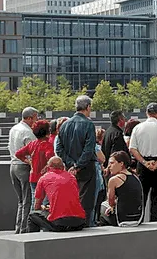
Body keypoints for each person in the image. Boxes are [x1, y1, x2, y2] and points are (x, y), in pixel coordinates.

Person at [129, 103, 157, 222]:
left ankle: (139, 221)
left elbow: (132, 148)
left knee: (141, 196)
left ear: (147, 113)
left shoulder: (138, 128)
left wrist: (144, 162)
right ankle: (156, 223)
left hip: (143, 165)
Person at [56, 95, 97, 223]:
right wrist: (78, 165)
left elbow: (59, 148)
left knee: (71, 198)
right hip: (86, 169)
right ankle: (84, 225)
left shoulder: (64, 124)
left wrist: (71, 164)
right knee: (86, 201)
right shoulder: (89, 124)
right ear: (88, 107)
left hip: (69, 169)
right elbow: (89, 149)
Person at [27, 156, 87, 233]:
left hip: (59, 223)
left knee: (32, 216)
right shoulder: (72, 177)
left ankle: (33, 242)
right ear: (63, 167)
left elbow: (37, 206)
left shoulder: (44, 178)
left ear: (48, 167)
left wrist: (43, 208)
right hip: (79, 222)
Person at [8, 106, 38, 234]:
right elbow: (33, 152)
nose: (37, 120)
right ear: (30, 118)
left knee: (21, 201)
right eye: (36, 118)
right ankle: (24, 229)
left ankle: (18, 228)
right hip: (23, 166)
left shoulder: (14, 129)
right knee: (27, 200)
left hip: (13, 166)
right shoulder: (27, 132)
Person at [14, 119, 54, 209]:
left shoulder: (32, 144)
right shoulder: (48, 145)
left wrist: (29, 161)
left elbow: (18, 154)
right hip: (45, 177)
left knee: (34, 201)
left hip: (33, 177)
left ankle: (32, 220)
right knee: (45, 202)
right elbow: (50, 157)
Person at [100, 151, 144, 227]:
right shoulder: (135, 177)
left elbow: (111, 202)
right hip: (138, 218)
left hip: (123, 219)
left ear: (121, 164)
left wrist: (112, 207)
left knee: (103, 205)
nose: (109, 166)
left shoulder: (114, 180)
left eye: (112, 163)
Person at [92, 128, 107, 226]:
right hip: (96, 177)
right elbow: (102, 159)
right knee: (96, 201)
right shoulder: (95, 147)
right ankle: (94, 220)